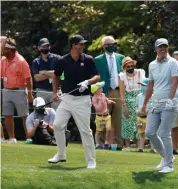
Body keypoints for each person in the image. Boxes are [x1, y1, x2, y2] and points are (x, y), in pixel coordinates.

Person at [48, 35, 100, 169]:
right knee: (58, 125)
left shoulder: (88, 60)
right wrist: (55, 93)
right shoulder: (63, 60)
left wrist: (87, 82)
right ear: (73, 45)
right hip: (66, 98)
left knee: (85, 131)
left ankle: (91, 160)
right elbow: (56, 76)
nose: (82, 46)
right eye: (80, 44)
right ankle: (61, 154)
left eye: (83, 44)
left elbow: (97, 76)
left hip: (82, 100)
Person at [141, 38, 178, 174]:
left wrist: (170, 99)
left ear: (167, 48)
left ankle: (169, 164)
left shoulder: (173, 62)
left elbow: (175, 82)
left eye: (165, 47)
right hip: (155, 102)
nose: (162, 49)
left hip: (169, 103)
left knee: (164, 133)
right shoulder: (152, 64)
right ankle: (167, 157)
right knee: (150, 133)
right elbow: (150, 85)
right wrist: (145, 103)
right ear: (155, 49)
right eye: (160, 47)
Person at [1, 37, 34, 144]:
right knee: (7, 115)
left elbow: (28, 79)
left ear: (9, 50)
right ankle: (12, 138)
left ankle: (29, 138)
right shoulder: (3, 60)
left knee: (24, 115)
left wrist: (29, 94)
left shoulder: (21, 61)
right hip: (6, 90)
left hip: (19, 90)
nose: (1, 51)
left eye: (3, 49)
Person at [94, 36, 125, 150]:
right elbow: (94, 76)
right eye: (108, 44)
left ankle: (117, 145)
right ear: (104, 46)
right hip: (104, 91)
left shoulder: (121, 58)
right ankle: (100, 143)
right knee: (102, 117)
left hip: (117, 91)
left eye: (113, 43)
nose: (111, 45)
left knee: (118, 119)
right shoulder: (97, 59)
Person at [119, 56, 146, 152]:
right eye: (128, 66)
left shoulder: (140, 72)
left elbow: (144, 85)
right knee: (127, 123)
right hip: (128, 100)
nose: (130, 67)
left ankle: (139, 146)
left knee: (139, 122)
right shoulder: (122, 76)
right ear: (124, 67)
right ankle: (128, 146)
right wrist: (125, 106)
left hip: (139, 99)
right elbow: (122, 94)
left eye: (132, 65)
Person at [31, 38, 61, 110]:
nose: (45, 48)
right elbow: (37, 78)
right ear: (39, 48)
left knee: (57, 116)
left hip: (56, 92)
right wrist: (52, 73)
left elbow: (59, 74)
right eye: (43, 46)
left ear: (49, 47)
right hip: (41, 91)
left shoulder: (57, 58)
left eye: (47, 46)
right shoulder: (36, 61)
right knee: (42, 115)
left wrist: (43, 72)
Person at [91, 83, 115, 149]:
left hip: (106, 116)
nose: (102, 89)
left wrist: (110, 101)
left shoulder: (103, 95)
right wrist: (100, 102)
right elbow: (97, 108)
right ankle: (97, 144)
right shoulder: (94, 98)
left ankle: (106, 143)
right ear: (96, 91)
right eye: (100, 88)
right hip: (99, 117)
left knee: (108, 129)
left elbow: (107, 100)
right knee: (98, 131)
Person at [135, 79, 155, 153]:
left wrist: (147, 111)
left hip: (149, 117)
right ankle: (141, 147)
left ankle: (152, 148)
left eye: (143, 85)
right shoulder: (138, 96)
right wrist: (137, 111)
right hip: (140, 117)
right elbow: (136, 106)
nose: (142, 87)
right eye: (141, 85)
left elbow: (153, 106)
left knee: (150, 133)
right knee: (141, 133)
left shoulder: (152, 96)